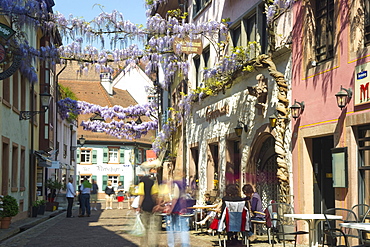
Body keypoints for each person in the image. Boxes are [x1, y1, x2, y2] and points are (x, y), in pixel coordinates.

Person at [136, 174, 161, 247]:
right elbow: (155, 195)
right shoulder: (153, 183)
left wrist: (139, 206)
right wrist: (156, 204)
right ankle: (153, 244)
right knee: (153, 227)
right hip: (152, 206)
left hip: (144, 206)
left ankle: (144, 244)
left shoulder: (141, 184)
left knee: (144, 228)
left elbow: (142, 195)